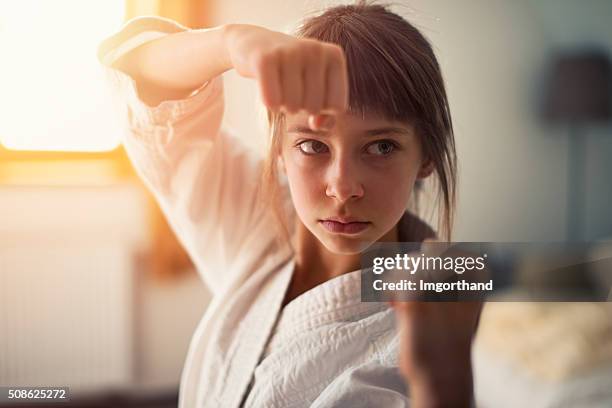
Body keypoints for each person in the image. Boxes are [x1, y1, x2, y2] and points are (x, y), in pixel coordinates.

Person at [98, 1, 481, 406]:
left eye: (381, 146)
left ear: (426, 156)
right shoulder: (256, 214)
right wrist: (231, 43)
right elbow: (141, 82)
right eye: (313, 145)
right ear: (279, 148)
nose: (343, 186)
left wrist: (440, 386)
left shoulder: (435, 320)